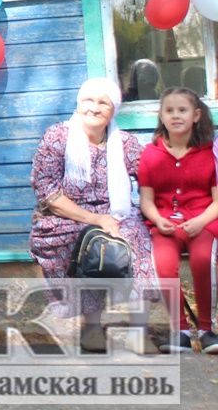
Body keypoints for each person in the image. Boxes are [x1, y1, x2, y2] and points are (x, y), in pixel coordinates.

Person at [28, 77, 159, 355]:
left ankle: (138, 329)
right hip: (67, 215)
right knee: (87, 245)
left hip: (117, 212)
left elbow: (153, 174)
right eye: (89, 100)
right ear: (78, 104)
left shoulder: (124, 142)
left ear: (114, 109)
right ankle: (91, 327)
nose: (95, 108)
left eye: (103, 102)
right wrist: (95, 219)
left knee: (139, 238)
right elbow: (47, 192)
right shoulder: (57, 137)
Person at [137, 87, 218, 354]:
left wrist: (200, 221)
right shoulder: (150, 154)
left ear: (195, 115)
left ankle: (206, 329)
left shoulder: (210, 153)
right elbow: (147, 200)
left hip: (202, 221)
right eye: (169, 111)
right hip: (166, 224)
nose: (175, 115)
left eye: (182, 110)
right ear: (161, 116)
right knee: (164, 264)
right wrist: (158, 220)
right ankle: (181, 330)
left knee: (202, 260)